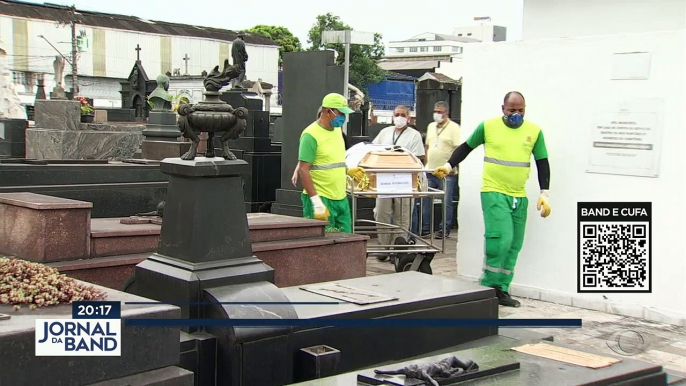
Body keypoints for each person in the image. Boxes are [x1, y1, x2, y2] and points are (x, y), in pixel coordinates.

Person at [432, 91, 551, 307]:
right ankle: (489, 286)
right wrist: (449, 166)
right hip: (493, 191)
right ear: (503, 108)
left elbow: (542, 161)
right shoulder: (488, 127)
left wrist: (545, 193)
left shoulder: (534, 131)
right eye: (511, 110)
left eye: (520, 110)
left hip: (518, 196)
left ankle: (502, 288)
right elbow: (466, 147)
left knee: (514, 244)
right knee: (501, 240)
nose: (516, 114)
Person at [296, 93, 365, 233]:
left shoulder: (337, 131)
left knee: (346, 243)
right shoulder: (310, 135)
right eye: (340, 113)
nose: (343, 118)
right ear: (328, 111)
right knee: (323, 248)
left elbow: (333, 161)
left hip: (340, 198)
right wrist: (316, 203)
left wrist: (347, 170)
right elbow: (303, 170)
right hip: (321, 198)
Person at [371, 105, 425, 254]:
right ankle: (384, 248)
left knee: (403, 216)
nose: (399, 117)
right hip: (384, 180)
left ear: (408, 118)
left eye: (402, 115)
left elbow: (419, 157)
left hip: (405, 180)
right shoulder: (385, 132)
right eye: (397, 114)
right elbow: (374, 151)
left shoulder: (414, 135)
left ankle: (398, 249)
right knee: (381, 212)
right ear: (392, 116)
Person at [420, 101, 461, 239]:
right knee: (425, 199)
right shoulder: (431, 126)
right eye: (435, 111)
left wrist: (452, 167)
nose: (437, 114)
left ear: (446, 113)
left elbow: (457, 149)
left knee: (446, 201)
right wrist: (426, 164)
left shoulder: (454, 128)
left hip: (446, 172)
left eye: (440, 112)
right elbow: (427, 146)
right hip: (430, 171)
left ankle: (444, 229)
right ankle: (425, 228)